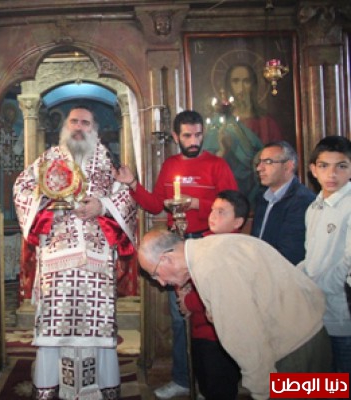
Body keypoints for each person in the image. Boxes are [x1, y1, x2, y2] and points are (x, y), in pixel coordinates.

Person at [13, 104, 136, 399]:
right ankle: (49, 389)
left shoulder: (108, 162)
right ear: (65, 127)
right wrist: (50, 206)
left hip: (97, 259)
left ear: (94, 129)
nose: (79, 127)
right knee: (55, 328)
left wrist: (102, 206)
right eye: (74, 121)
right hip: (57, 258)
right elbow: (21, 190)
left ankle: (100, 390)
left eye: (85, 122)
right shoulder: (48, 160)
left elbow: (127, 199)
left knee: (98, 328)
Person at [113, 110, 237, 399]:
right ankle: (183, 378)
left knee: (212, 316)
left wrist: (196, 203)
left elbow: (234, 205)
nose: (194, 141)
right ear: (175, 136)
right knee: (181, 316)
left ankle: (212, 384)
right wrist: (132, 184)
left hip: (208, 245)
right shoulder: (170, 165)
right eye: (187, 136)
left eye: (198, 135)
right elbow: (156, 205)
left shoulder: (217, 164)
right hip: (177, 250)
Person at [139, 230, 331, 400]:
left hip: (296, 351)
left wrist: (261, 390)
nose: (161, 283)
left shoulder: (211, 268)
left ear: (166, 258)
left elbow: (244, 335)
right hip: (309, 332)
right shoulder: (209, 249)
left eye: (155, 274)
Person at [178, 190, 248, 399]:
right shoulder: (204, 242)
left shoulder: (233, 249)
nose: (213, 216)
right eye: (212, 210)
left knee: (220, 385)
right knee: (205, 382)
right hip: (199, 329)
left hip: (220, 335)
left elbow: (217, 290)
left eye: (221, 212)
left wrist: (188, 301)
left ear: (237, 222)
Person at [298, 135, 351, 374]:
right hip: (317, 314)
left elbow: (348, 262)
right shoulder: (314, 207)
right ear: (313, 170)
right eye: (324, 166)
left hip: (342, 314)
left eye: (341, 166)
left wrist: (319, 286)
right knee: (323, 384)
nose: (332, 174)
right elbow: (312, 257)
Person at [251, 141, 315, 264]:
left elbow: (291, 253)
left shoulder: (302, 201)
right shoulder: (262, 198)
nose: (259, 168)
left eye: (268, 162)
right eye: (260, 162)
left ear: (288, 166)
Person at [224, 63, 283, 144]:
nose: (241, 88)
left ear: (253, 85)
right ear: (229, 86)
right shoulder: (221, 122)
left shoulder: (267, 122)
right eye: (235, 81)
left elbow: (278, 149)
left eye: (246, 81)